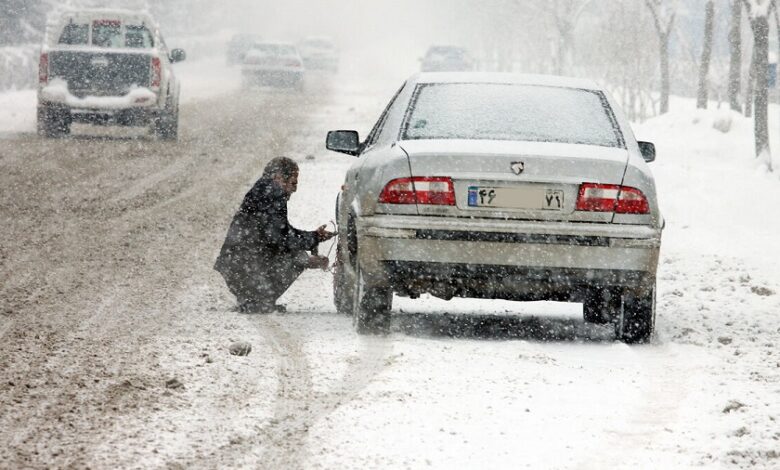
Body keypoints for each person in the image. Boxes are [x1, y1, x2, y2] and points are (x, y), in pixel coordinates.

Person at [214, 157, 335, 313]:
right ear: (278, 177)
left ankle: (255, 298)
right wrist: (312, 244)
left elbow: (281, 232)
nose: (295, 189)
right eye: (293, 183)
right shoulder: (272, 194)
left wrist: (313, 237)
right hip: (243, 266)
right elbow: (281, 238)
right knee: (298, 257)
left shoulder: (264, 190)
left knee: (297, 255)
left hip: (237, 264)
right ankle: (258, 300)